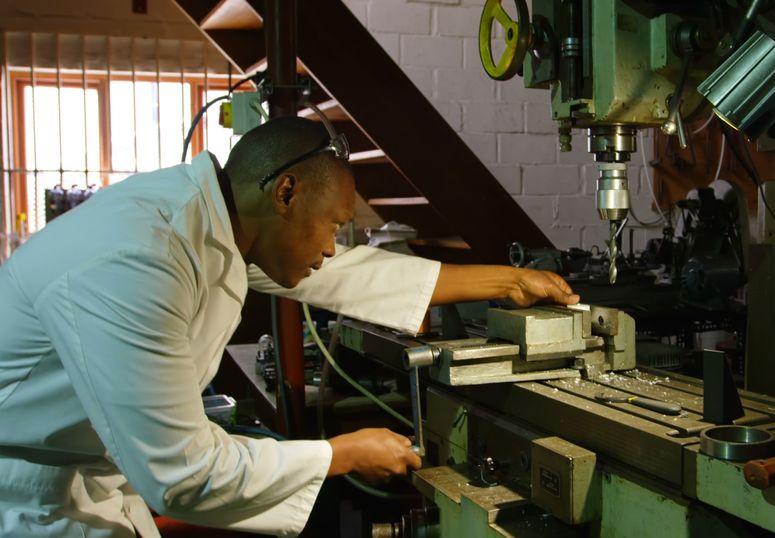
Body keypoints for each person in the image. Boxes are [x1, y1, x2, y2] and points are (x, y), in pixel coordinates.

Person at [0, 117, 580, 537]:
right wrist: (340, 454)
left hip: (87, 479)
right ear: (285, 192)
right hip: (29, 498)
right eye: (334, 225)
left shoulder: (217, 220)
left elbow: (346, 275)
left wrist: (506, 281)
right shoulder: (139, 258)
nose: (333, 246)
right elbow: (181, 474)